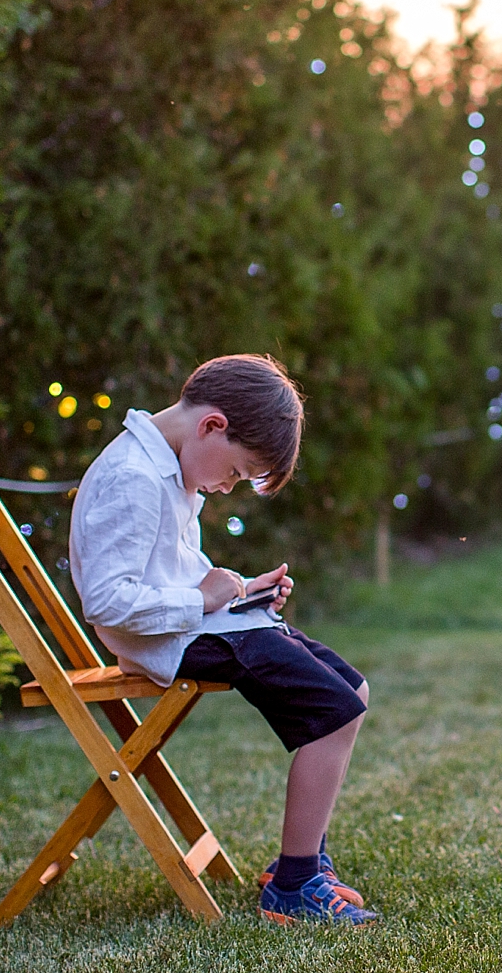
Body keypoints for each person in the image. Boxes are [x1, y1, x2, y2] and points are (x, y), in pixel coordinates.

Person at [69, 354, 376, 926]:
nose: (228, 486)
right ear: (212, 425)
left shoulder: (168, 468)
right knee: (332, 711)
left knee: (350, 690)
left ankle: (307, 859)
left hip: (198, 625)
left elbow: (173, 571)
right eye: (236, 472)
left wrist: (236, 595)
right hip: (166, 640)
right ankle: (293, 884)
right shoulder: (133, 478)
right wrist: (203, 601)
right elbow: (107, 601)